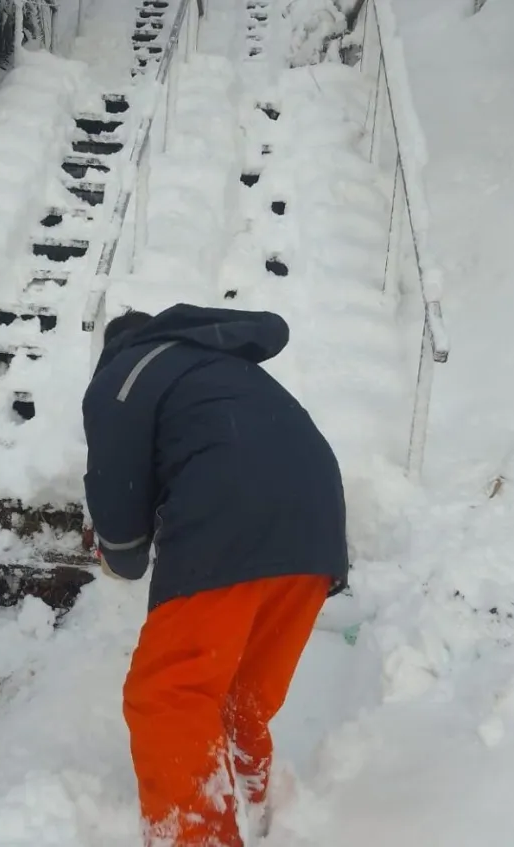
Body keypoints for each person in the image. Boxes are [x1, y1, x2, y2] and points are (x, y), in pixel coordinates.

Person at [82, 304, 349, 847]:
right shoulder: (216, 365)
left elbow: (118, 497)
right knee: (240, 696)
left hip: (232, 516)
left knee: (168, 697)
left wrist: (121, 553)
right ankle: (259, 804)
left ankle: (196, 837)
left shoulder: (126, 371)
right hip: (316, 526)